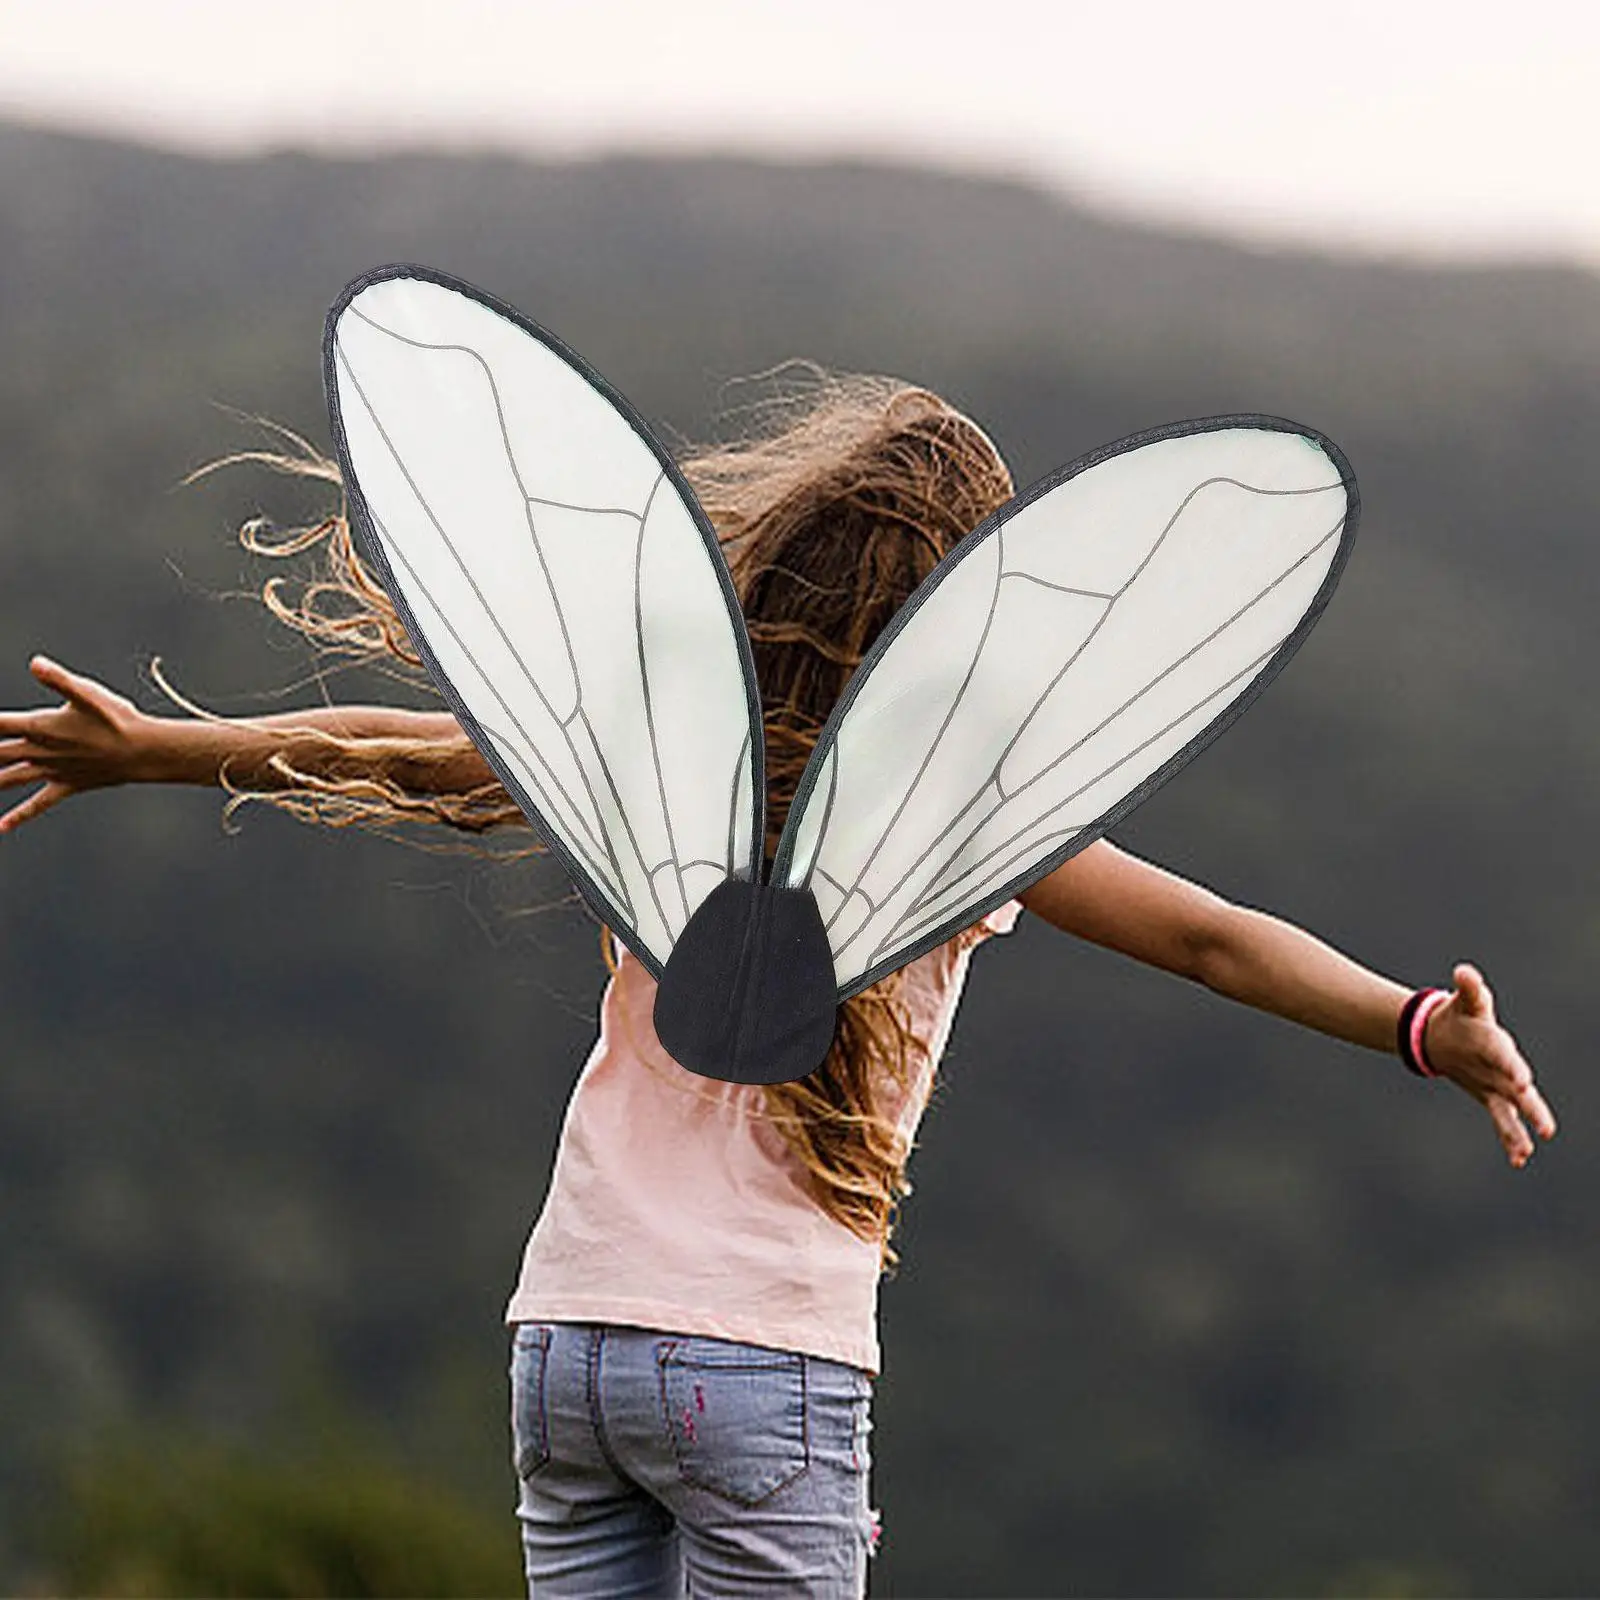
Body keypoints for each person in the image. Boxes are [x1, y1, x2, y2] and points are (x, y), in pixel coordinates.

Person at [0, 379, 1557, 1598]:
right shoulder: (954, 815)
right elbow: (1212, 937)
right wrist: (1422, 1025)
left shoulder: (661, 763)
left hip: (569, 1346)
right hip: (757, 1363)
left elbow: (405, 756)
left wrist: (150, 751)